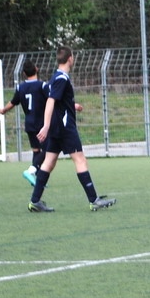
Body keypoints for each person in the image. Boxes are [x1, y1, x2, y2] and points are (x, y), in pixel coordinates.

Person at [29, 46, 116, 212]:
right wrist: (45, 125)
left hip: (57, 126)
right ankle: (93, 199)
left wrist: (71, 105)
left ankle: (35, 201)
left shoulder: (55, 77)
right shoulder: (61, 78)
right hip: (64, 127)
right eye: (73, 56)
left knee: (49, 161)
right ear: (70, 58)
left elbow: (55, 99)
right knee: (80, 160)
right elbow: (50, 101)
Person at [0, 59, 49, 185]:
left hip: (29, 123)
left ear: (24, 74)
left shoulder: (20, 87)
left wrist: (4, 110)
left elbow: (13, 102)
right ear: (36, 69)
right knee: (48, 149)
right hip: (42, 124)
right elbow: (52, 100)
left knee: (36, 150)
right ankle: (31, 170)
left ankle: (37, 179)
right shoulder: (42, 85)